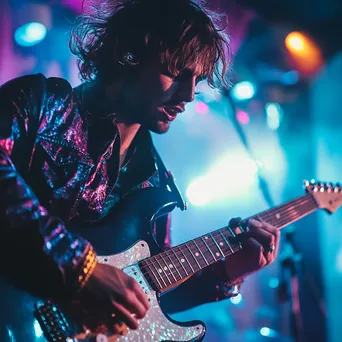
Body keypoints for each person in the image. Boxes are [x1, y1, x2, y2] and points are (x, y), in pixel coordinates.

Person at [0, 0, 280, 337]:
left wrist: (227, 271)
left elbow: (146, 298)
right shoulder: (39, 103)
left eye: (197, 79)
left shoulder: (155, 181)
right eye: (177, 72)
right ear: (128, 53)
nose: (190, 94)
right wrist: (81, 267)